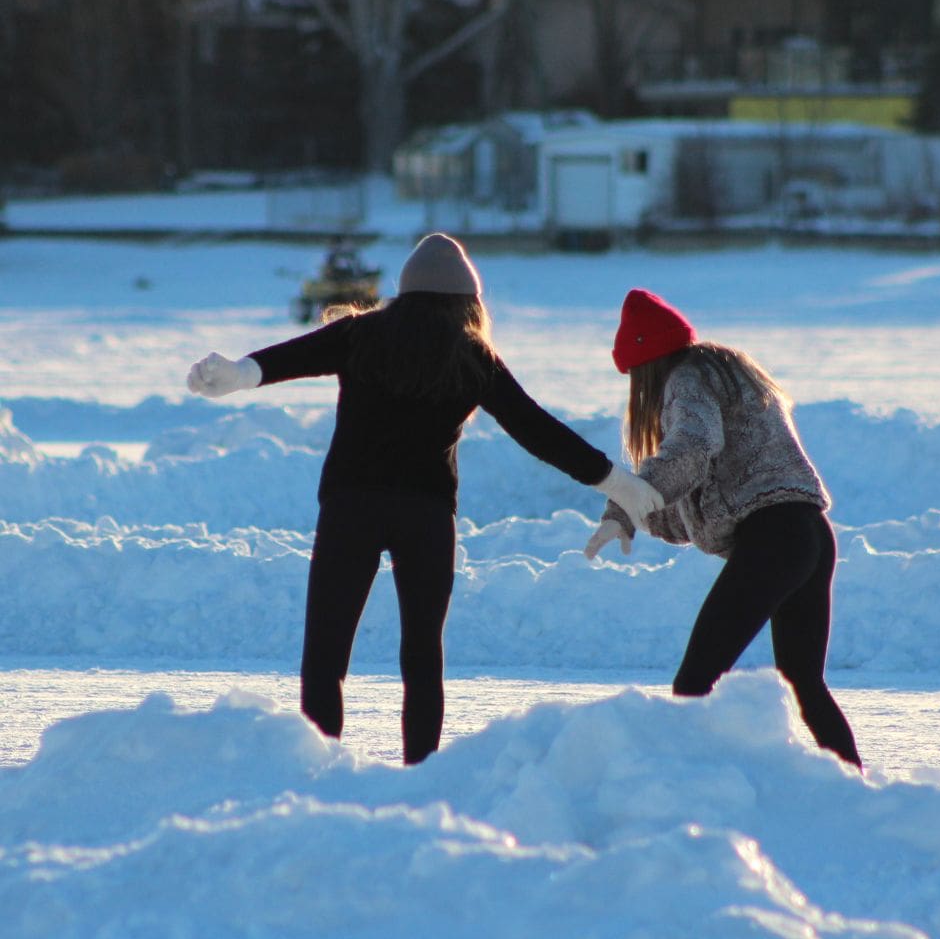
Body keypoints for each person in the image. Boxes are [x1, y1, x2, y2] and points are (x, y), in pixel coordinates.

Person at [187, 233, 661, 764]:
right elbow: (536, 429)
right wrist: (615, 481)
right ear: (469, 302)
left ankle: (317, 767)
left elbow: (289, 358)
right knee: (421, 656)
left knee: (325, 651)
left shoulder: (361, 334)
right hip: (426, 517)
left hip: (351, 507)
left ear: (404, 291)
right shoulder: (471, 354)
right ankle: (422, 772)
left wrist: (236, 374)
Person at [585, 288, 861, 768]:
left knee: (694, 683)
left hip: (773, 541)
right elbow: (695, 499)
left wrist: (625, 505)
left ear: (645, 364)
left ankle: (688, 789)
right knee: (804, 682)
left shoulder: (686, 379)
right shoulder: (728, 374)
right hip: (810, 535)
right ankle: (854, 787)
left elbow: (692, 449)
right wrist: (634, 512)